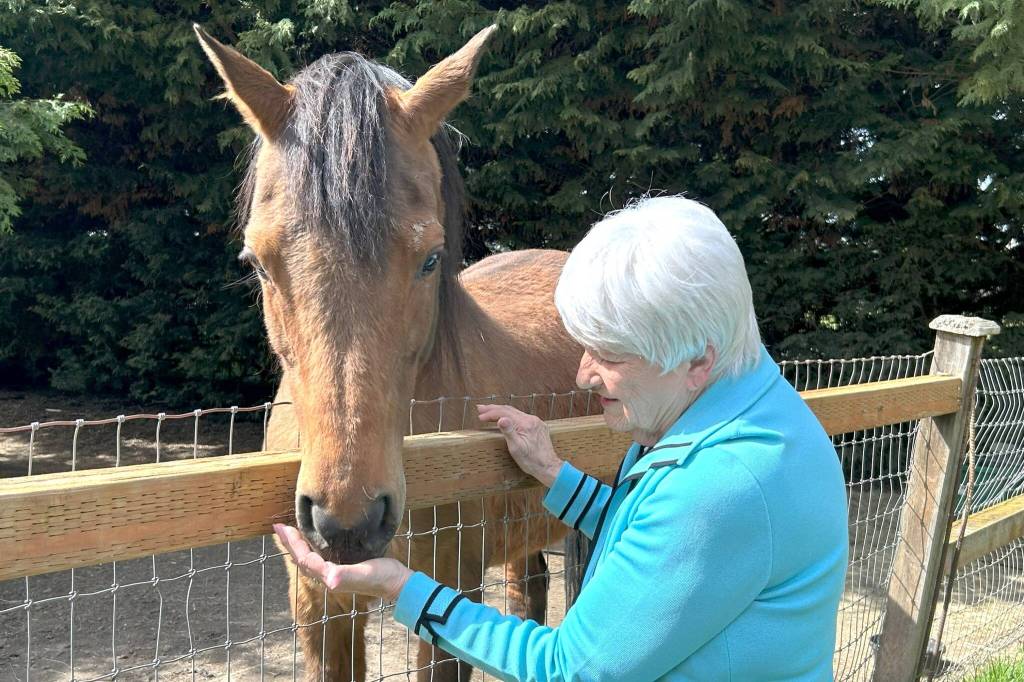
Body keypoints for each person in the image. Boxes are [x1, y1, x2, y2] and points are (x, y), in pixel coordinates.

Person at [274, 195, 849, 681]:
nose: (582, 375)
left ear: (697, 359)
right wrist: (557, 476)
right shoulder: (760, 418)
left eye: (610, 352)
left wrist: (405, 588)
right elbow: (662, 539)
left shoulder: (724, 486)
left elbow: (568, 669)